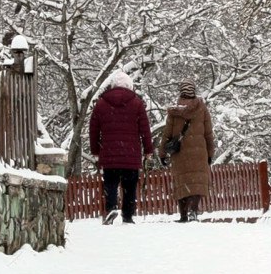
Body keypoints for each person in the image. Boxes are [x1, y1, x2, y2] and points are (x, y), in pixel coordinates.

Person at [88, 70, 153, 224]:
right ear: (129, 86)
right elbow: (145, 129)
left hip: (109, 154)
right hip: (131, 154)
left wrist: (95, 151)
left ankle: (111, 208)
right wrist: (148, 150)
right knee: (129, 186)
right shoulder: (137, 103)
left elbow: (93, 129)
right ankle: (128, 215)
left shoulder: (101, 104)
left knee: (110, 183)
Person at [159, 80, 216, 222]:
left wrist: (162, 153)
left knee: (182, 182)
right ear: (193, 92)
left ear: (181, 92)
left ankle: (183, 215)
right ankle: (193, 211)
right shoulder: (202, 109)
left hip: (180, 153)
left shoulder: (174, 111)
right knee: (197, 183)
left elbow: (167, 134)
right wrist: (210, 153)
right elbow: (208, 134)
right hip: (199, 153)